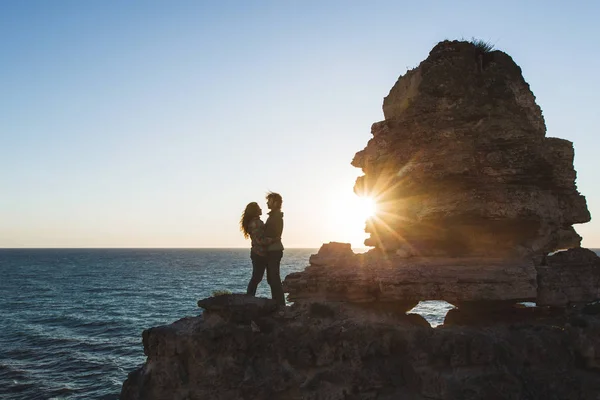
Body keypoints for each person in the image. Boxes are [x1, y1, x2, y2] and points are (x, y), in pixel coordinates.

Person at [240, 202, 277, 296]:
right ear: (255, 211)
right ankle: (249, 297)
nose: (261, 209)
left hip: (259, 253)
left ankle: (250, 296)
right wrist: (273, 240)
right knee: (256, 277)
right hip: (259, 254)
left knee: (257, 277)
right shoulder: (255, 223)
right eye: (259, 208)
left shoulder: (256, 222)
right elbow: (259, 240)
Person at [263, 192, 285, 306]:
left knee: (274, 278)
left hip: (274, 250)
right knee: (272, 279)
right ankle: (277, 303)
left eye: (269, 200)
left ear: (275, 203)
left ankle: (279, 305)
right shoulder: (273, 216)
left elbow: (272, 234)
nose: (267, 202)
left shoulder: (275, 217)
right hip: (272, 250)